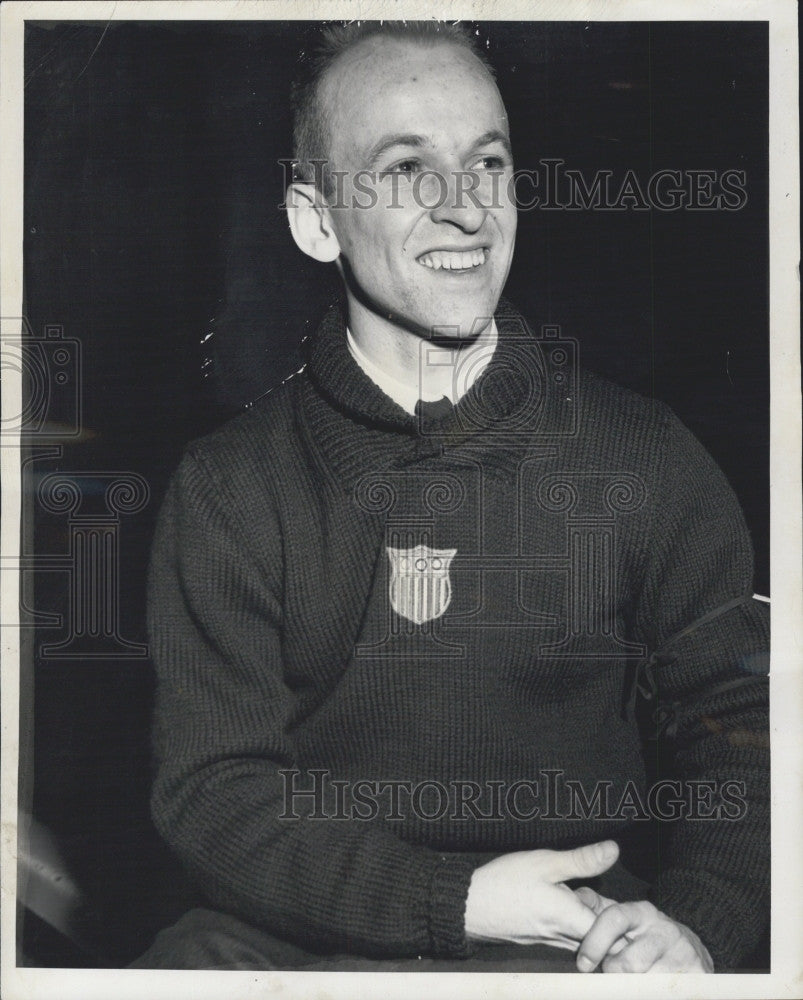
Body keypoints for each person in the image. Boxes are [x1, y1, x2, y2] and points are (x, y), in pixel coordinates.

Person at [131, 21, 769, 973]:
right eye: (403, 168)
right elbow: (215, 795)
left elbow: (748, 726)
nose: (464, 209)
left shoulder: (644, 456)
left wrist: (699, 922)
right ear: (315, 219)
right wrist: (453, 902)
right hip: (292, 937)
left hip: (579, 935)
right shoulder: (230, 488)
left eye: (487, 162)